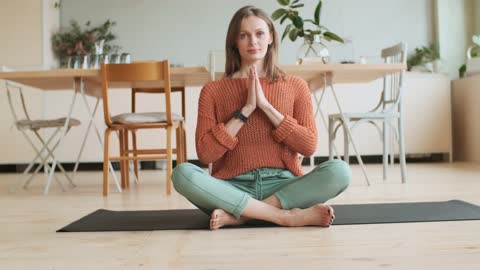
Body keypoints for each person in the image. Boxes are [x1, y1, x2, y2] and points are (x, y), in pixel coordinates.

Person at [171, 5, 351, 230]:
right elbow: (206, 155)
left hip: (284, 186)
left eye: (259, 34)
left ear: (271, 38)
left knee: (340, 171)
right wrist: (246, 109)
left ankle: (242, 216)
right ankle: (285, 217)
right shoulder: (213, 90)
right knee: (182, 174)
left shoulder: (296, 86)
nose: (252, 42)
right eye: (243, 35)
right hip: (231, 188)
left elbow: (309, 146)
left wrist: (265, 107)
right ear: (234, 42)